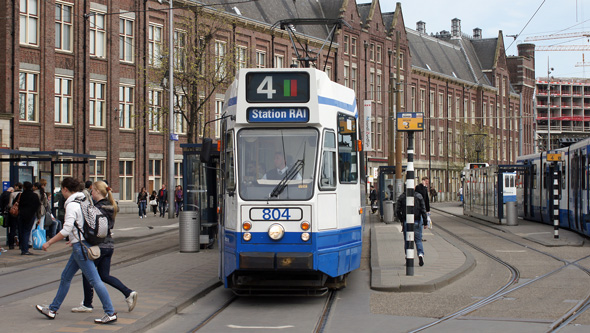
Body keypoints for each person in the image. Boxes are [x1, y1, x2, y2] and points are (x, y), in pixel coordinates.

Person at [36, 177, 117, 324]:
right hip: (79, 244)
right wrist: (74, 239)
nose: (62, 193)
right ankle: (53, 309)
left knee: (95, 280)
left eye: (62, 190)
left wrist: (49, 242)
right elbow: (82, 224)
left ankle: (110, 312)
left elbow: (67, 228)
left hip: (81, 248)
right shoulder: (84, 200)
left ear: (66, 189)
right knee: (66, 277)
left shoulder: (72, 205)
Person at [72, 181, 138, 314]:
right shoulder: (111, 205)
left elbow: (91, 225)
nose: (92, 193)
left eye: (93, 191)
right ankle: (128, 293)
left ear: (97, 191)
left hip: (99, 245)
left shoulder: (97, 207)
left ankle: (87, 304)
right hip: (109, 245)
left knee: (87, 273)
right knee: (104, 275)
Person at [395, 185, 428, 266]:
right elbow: (423, 210)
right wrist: (425, 222)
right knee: (418, 240)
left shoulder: (402, 197)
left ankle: (408, 257)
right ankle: (420, 254)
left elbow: (397, 210)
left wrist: (402, 220)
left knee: (407, 240)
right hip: (417, 221)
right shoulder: (419, 196)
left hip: (407, 221)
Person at [17, 181, 40, 255]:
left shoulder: (22, 195)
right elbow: (37, 206)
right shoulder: (34, 196)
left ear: (24, 187)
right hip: (30, 216)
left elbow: (19, 205)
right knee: (27, 232)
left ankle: (22, 247)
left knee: (21, 231)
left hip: (21, 215)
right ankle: (25, 249)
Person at [7, 183, 23, 249]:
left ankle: (11, 245)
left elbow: (10, 205)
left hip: (13, 214)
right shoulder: (23, 194)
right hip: (21, 213)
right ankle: (21, 244)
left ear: (16, 187)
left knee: (13, 229)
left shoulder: (12, 194)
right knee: (20, 229)